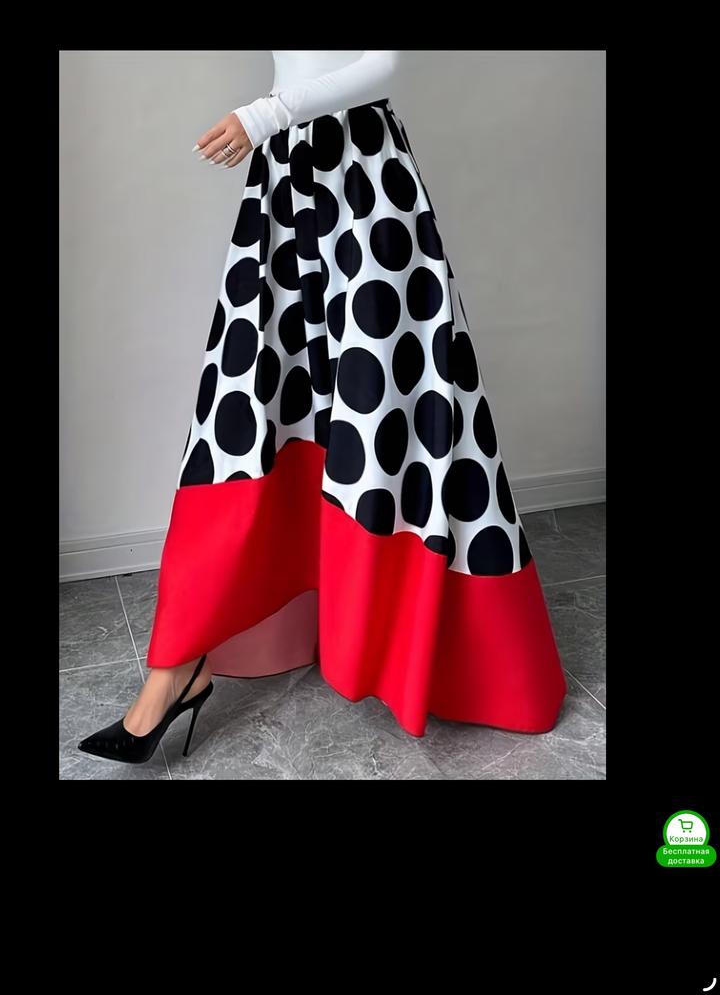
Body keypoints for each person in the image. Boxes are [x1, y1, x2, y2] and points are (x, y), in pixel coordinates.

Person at [78, 50, 567, 765]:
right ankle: (178, 664)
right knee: (247, 414)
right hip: (286, 179)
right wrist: (273, 122)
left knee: (385, 408)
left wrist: (265, 114)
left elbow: (386, 63)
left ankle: (414, 645)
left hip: (362, 181)